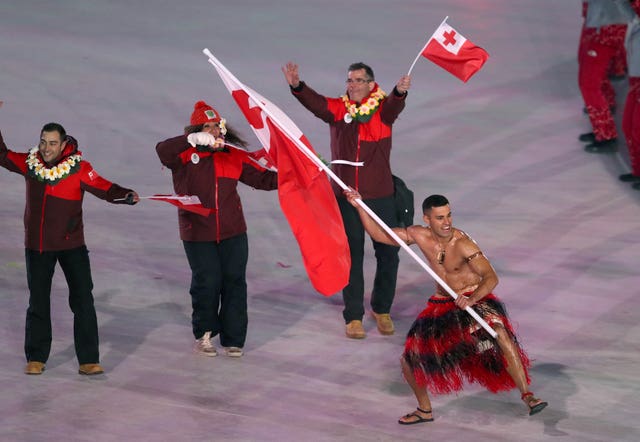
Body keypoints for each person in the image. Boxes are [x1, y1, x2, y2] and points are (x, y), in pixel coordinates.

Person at [344, 189, 548, 424]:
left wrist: (471, 299)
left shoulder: (463, 244)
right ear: (427, 219)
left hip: (473, 299)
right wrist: (359, 206)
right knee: (409, 360)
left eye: (449, 215)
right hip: (441, 304)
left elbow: (491, 278)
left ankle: (528, 396)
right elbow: (381, 235)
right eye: (440, 218)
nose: (447, 222)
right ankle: (424, 410)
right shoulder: (419, 235)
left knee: (500, 334)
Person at [282, 61, 411, 339]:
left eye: (357, 81)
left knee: (388, 254)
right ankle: (353, 315)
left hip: (380, 196)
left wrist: (399, 92)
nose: (351, 85)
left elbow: (392, 106)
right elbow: (317, 104)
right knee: (351, 255)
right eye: (349, 81)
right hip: (346, 196)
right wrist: (297, 86)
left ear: (370, 84)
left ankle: (382, 308)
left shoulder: (382, 111)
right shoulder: (340, 111)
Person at [0, 122, 139, 376]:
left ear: (63, 144)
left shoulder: (79, 169)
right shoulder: (30, 164)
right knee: (38, 301)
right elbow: (2, 155)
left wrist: (125, 194)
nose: (46, 148)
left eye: (52, 143)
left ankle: (88, 359)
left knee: (83, 300)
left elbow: (106, 188)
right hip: (38, 246)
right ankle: (36, 357)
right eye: (43, 142)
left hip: (71, 245)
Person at [156, 101, 277, 358]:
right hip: (198, 231)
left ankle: (234, 339)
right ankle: (205, 334)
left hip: (234, 232)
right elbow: (162, 150)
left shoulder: (233, 154)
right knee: (207, 281)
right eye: (206, 127)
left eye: (215, 126)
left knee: (234, 282)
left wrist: (295, 173)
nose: (212, 131)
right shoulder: (184, 155)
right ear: (197, 129)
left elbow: (263, 179)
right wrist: (189, 139)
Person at [579, 0, 632, 152]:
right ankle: (602, 130)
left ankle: (607, 136)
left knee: (589, 84)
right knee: (592, 81)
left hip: (606, 30)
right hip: (603, 27)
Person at [621, 1, 640, 189]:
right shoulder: (636, 18)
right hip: (635, 79)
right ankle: (638, 171)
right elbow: (629, 10)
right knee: (628, 127)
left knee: (638, 129)